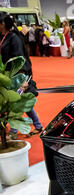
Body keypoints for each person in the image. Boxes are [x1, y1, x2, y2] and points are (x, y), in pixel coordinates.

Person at [0, 12, 43, 140]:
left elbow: (20, 59)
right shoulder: (4, 36)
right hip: (8, 75)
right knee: (21, 101)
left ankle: (13, 133)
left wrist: (22, 81)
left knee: (16, 101)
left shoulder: (14, 38)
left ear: (2, 24)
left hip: (20, 75)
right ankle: (38, 125)